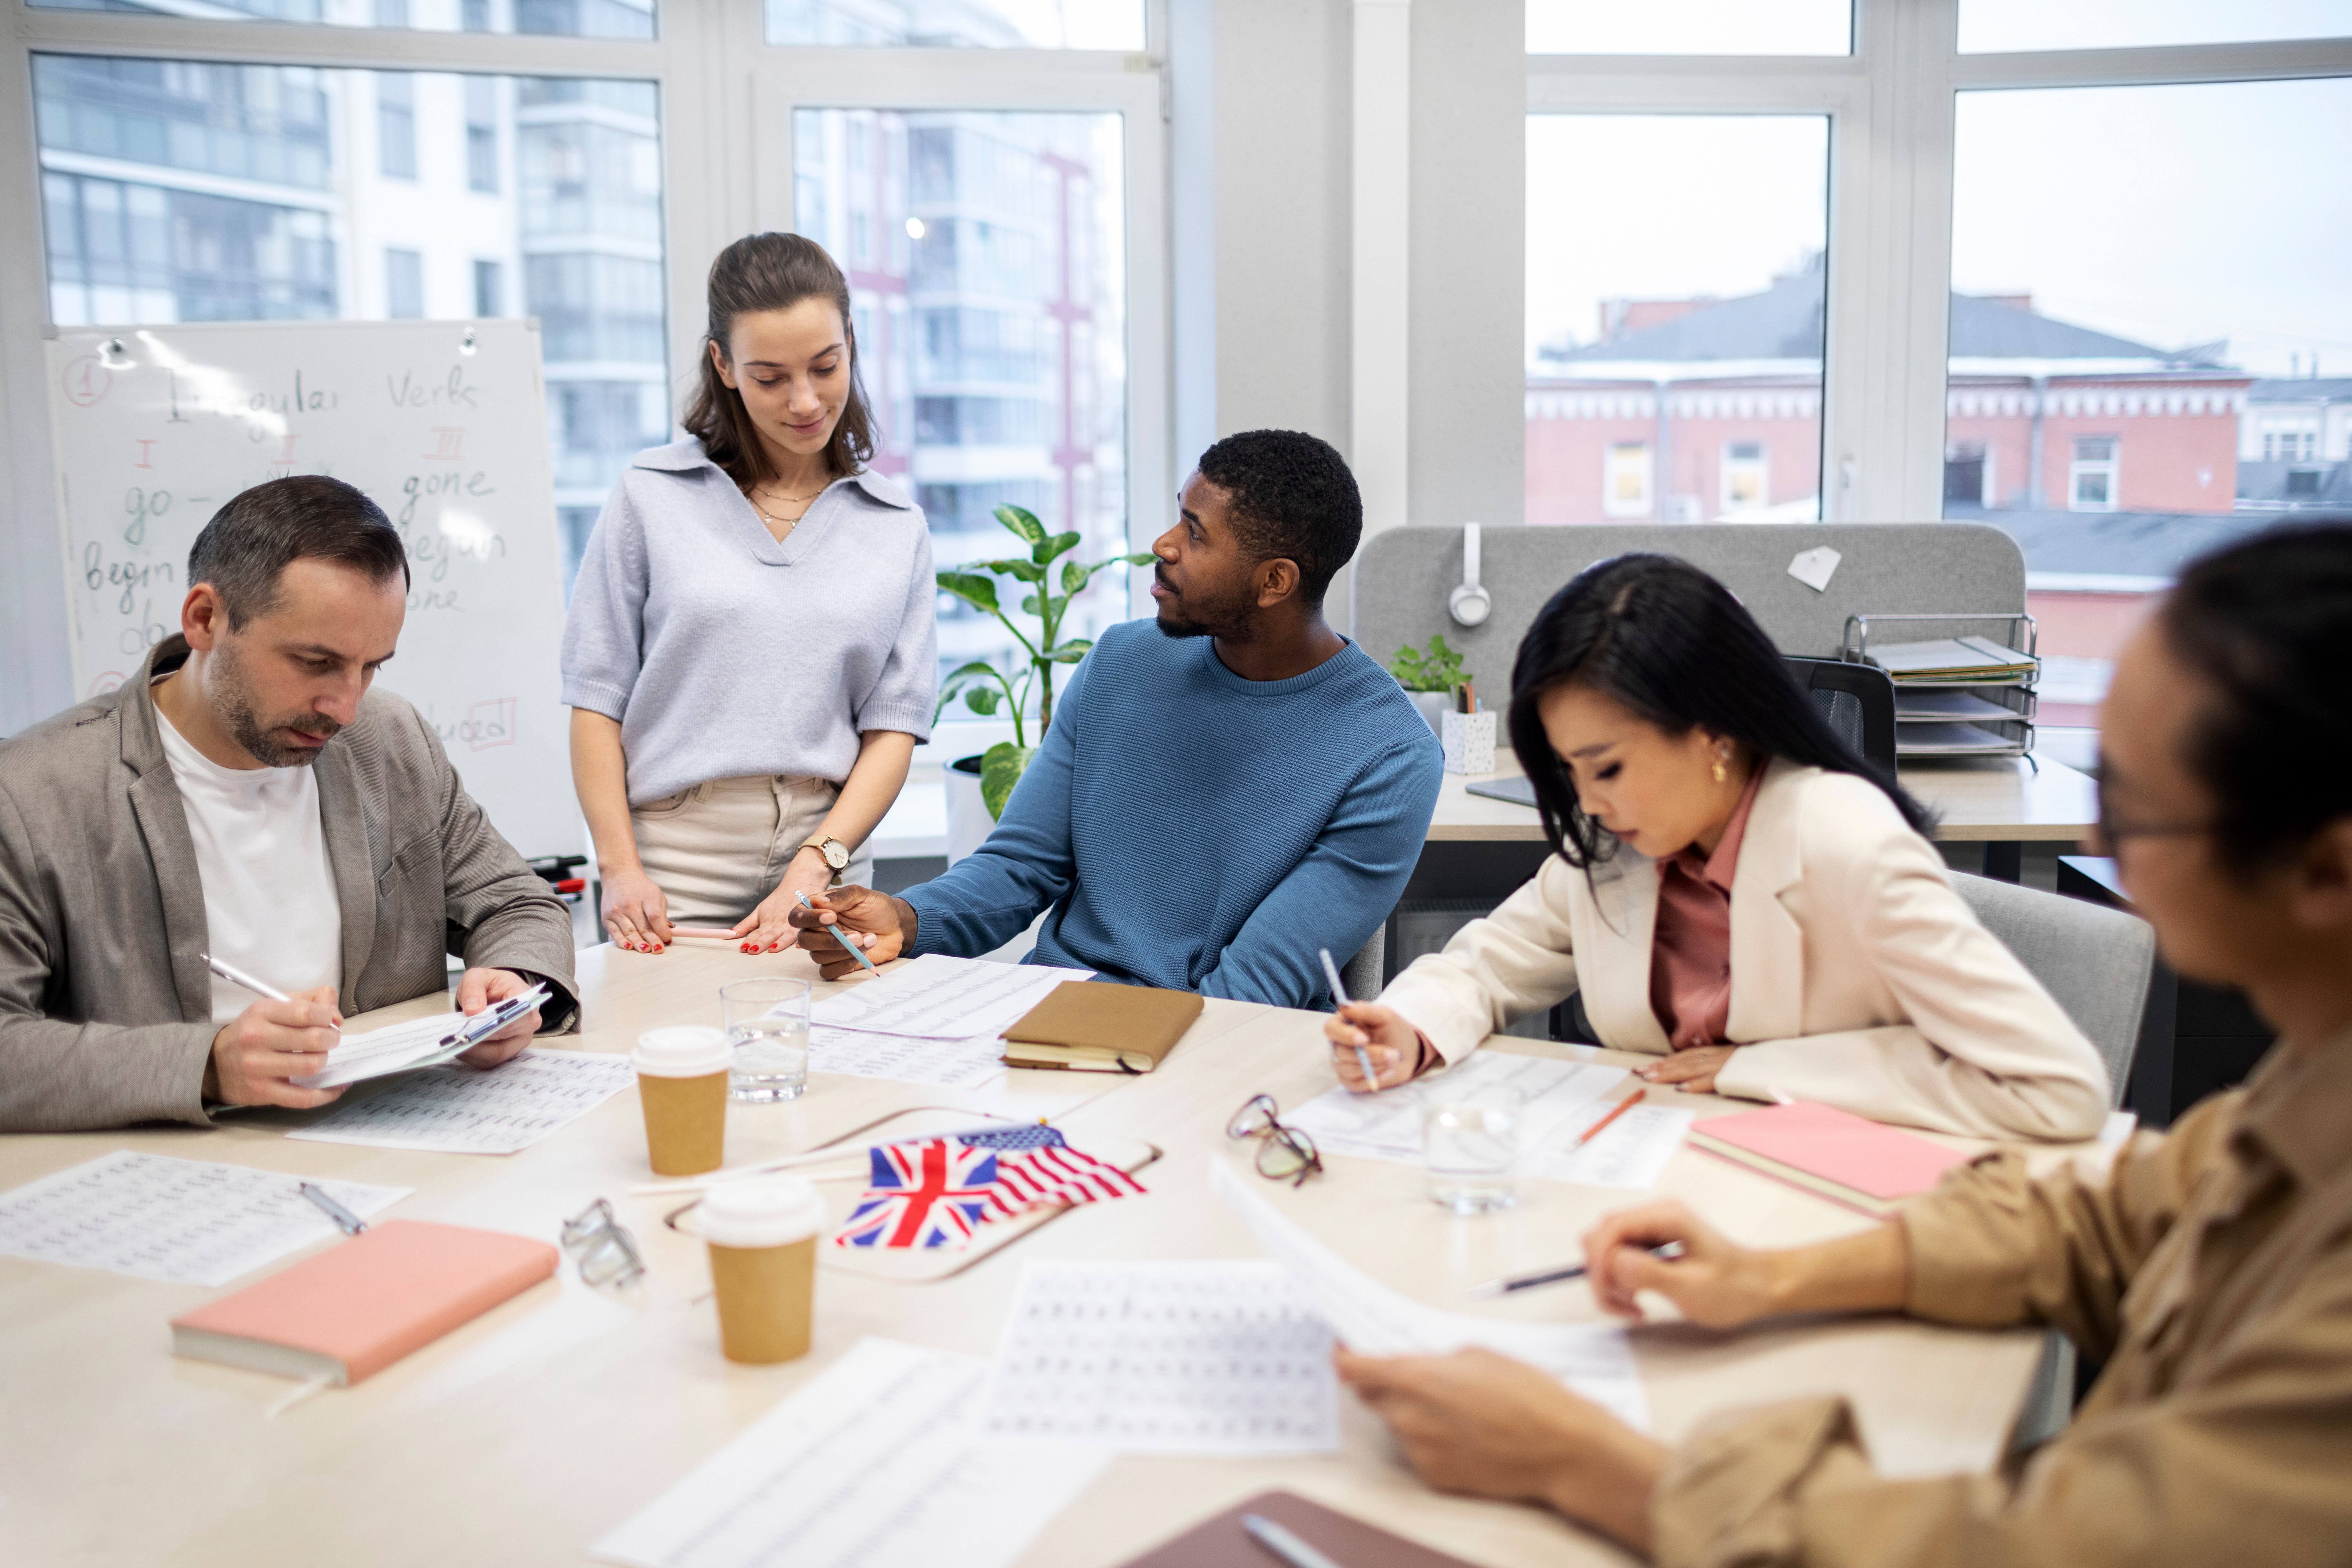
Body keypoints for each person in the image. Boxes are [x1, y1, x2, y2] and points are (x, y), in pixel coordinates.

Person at [1336, 523, 2352, 1564]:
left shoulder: (1838, 834)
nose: (2096, 844)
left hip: (1815, 1191)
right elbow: (2107, 1221)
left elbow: (2042, 1539)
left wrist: (1584, 1459)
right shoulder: (2300, 1095)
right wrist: (1776, 1280)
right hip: (1706, 1207)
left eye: (2131, 804)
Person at [1326, 552, 2109, 1141]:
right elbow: (1489, 963)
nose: (1589, 804)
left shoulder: (1850, 847)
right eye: (1570, 771)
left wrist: (1758, 1068)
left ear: (1715, 735)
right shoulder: (1621, 848)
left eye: (1609, 766)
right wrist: (1411, 1027)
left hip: (1835, 1204)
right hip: (1672, 1176)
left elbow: (2060, 1087)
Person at [789, 429, 1443, 1010]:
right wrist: (903, 918)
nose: (1163, 545)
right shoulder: (1122, 662)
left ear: (1274, 582)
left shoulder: (1390, 755)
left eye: (1195, 533)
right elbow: (1022, 866)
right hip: (1044, 1017)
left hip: (1209, 1056)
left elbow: (1251, 995)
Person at [0, 477, 578, 1133]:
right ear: (205, 619)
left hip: (395, 1140)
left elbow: (517, 901)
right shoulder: (30, 794)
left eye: (371, 667)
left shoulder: (391, 741)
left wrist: (511, 979)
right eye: (315, 662)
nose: (346, 707)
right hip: (174, 1168)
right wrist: (208, 1064)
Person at [562, 232, 935, 957]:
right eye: (770, 377)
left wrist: (816, 859)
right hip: (675, 860)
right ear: (723, 365)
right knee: (673, 1060)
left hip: (826, 853)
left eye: (825, 367)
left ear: (850, 346)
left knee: (831, 1062)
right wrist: (620, 868)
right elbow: (594, 698)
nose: (805, 401)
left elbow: (894, 726)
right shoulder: (651, 496)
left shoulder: (896, 526)